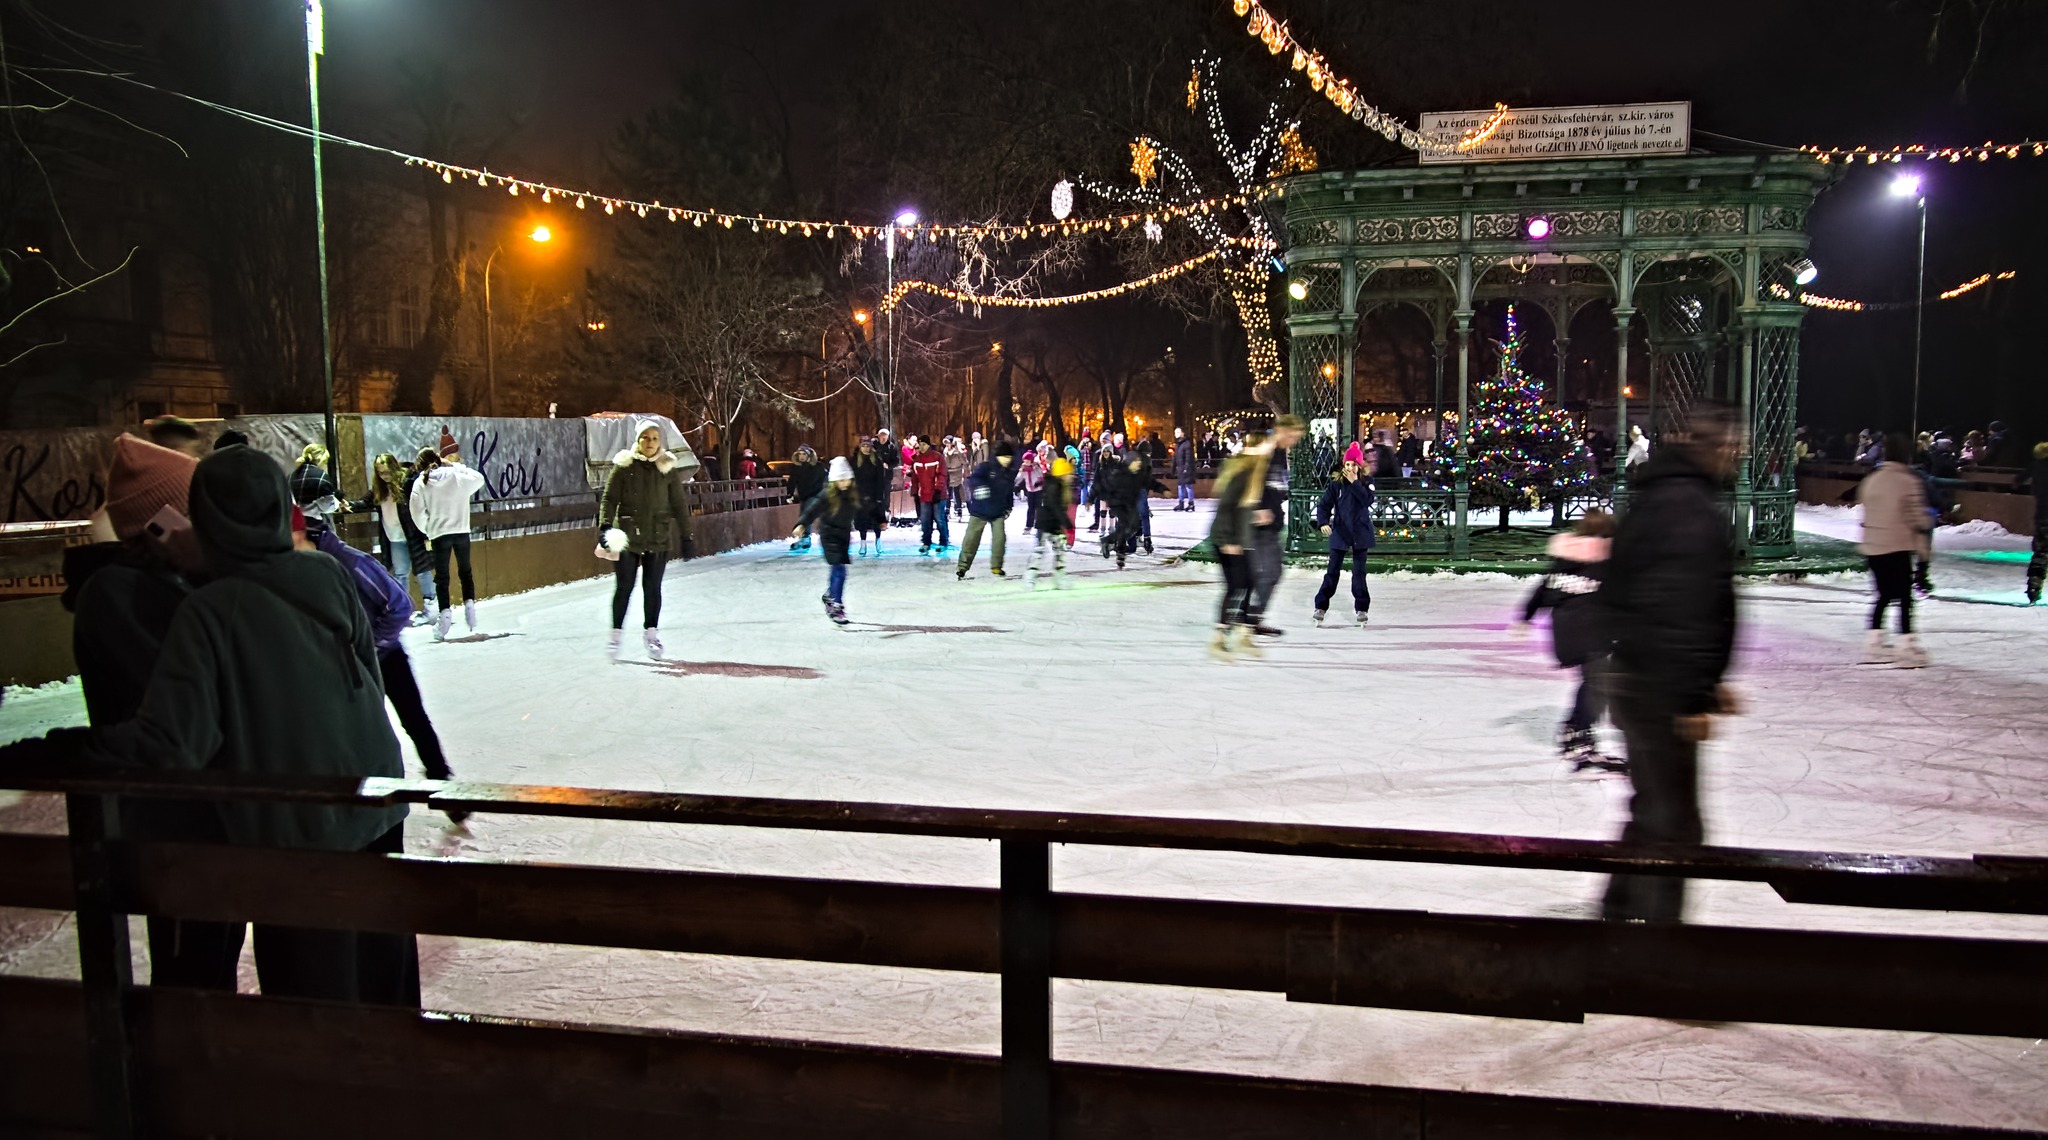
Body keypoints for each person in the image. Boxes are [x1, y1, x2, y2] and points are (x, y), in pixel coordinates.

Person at [1, 443, 419, 1005]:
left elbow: (169, 743)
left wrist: (46, 752)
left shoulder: (211, 609)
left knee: (313, 1011)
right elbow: (366, 677)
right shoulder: (327, 575)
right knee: (384, 993)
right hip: (374, 810)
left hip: (294, 837)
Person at [63, 435, 243, 989]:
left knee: (213, 961)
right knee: (192, 972)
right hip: (174, 827)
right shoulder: (121, 594)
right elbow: (178, 709)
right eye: (195, 513)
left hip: (208, 819)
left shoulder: (168, 584)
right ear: (162, 521)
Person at [1597, 401, 1744, 925]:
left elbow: (1620, 591)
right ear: (1718, 445)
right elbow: (1683, 608)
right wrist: (1694, 693)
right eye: (1735, 445)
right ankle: (1660, 957)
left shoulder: (1660, 498)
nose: (1739, 454)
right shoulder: (1688, 509)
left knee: (1654, 810)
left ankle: (1613, 918)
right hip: (1660, 685)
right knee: (1677, 825)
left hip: (1638, 675)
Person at [295, 506, 463, 819]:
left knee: (414, 720)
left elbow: (399, 605)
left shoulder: (351, 563)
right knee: (354, 730)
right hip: (349, 664)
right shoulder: (306, 571)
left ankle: (445, 789)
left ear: (309, 537)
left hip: (385, 657)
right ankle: (360, 802)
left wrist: (370, 645)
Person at [1520, 510, 1619, 772]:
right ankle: (1578, 732)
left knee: (1593, 682)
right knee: (1598, 683)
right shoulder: (1605, 560)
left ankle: (1575, 730)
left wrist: (1525, 617)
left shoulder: (1565, 559)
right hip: (1592, 632)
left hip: (1565, 633)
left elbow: (1542, 590)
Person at [597, 421, 693, 660]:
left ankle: (651, 636)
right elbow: (609, 499)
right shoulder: (623, 467)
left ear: (660, 442)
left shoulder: (667, 469)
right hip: (628, 536)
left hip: (658, 536)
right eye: (645, 438)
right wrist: (606, 526)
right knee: (624, 587)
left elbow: (679, 504)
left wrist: (686, 535)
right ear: (638, 441)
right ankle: (615, 637)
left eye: (654, 438)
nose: (650, 443)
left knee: (652, 589)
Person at [1854, 433, 1932, 668]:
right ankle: (1907, 645)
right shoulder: (1908, 481)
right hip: (1897, 546)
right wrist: (1928, 525)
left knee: (1884, 595)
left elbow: (1866, 510)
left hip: (1873, 547)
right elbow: (1917, 517)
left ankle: (1874, 643)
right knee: (1905, 597)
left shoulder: (1873, 480)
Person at [409, 432, 488, 641]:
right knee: (466, 572)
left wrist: (429, 529)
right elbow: (479, 479)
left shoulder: (421, 483)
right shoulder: (455, 476)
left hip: (439, 536)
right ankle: (470, 608)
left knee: (442, 578)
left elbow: (416, 513)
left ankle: (444, 618)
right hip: (461, 531)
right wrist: (455, 466)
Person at [355, 452, 436, 626]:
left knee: (422, 571)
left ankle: (431, 607)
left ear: (394, 467)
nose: (384, 476)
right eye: (380, 473)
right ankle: (403, 609)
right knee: (401, 573)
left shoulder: (407, 483)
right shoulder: (379, 489)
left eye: (386, 472)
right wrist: (349, 505)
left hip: (413, 535)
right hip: (394, 537)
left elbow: (420, 506)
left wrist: (426, 534)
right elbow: (365, 502)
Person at [1206, 441, 1270, 661]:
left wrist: (1255, 516)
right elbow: (1225, 509)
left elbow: (1240, 510)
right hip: (1225, 540)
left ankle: (1242, 633)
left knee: (1250, 581)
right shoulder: (1242, 477)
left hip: (1237, 540)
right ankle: (1219, 638)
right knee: (1235, 586)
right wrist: (1227, 540)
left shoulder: (1252, 480)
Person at [1248, 416, 1304, 636]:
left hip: (1271, 521)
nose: (1293, 441)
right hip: (1258, 522)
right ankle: (1247, 618)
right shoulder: (1265, 448)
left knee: (1269, 571)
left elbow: (1275, 483)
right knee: (1267, 571)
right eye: (1292, 436)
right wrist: (1257, 507)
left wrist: (1279, 495)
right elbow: (1250, 479)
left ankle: (1251, 617)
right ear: (1281, 430)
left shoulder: (1279, 452)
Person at [1311, 442, 1375, 625]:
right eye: (1348, 464)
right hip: (1340, 532)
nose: (1350, 468)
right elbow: (1324, 505)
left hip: (1360, 533)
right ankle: (1320, 606)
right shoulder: (1336, 485)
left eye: (1354, 464)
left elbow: (1368, 501)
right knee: (1332, 572)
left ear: (1360, 466)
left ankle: (1362, 608)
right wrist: (1323, 522)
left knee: (1359, 573)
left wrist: (1355, 483)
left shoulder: (1366, 483)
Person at [794, 456, 861, 625]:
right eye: (842, 479)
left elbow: (866, 507)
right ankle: (836, 606)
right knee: (840, 569)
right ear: (834, 480)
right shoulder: (826, 495)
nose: (845, 483)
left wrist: (880, 518)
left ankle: (831, 594)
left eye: (848, 479)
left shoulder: (851, 494)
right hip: (829, 535)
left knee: (837, 568)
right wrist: (802, 524)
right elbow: (812, 509)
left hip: (843, 536)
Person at [957, 440, 1015, 580]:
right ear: (998, 457)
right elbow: (973, 479)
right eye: (1005, 457)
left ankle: (996, 566)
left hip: (998, 512)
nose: (1007, 460)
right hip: (980, 510)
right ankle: (962, 567)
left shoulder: (1008, 473)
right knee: (971, 538)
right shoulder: (986, 467)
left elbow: (1008, 492)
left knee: (999, 539)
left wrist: (1008, 507)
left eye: (1009, 458)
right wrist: (980, 487)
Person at [1025, 456, 1076, 589]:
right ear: (1062, 474)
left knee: (1060, 551)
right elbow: (1055, 507)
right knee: (1039, 551)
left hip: (1054, 524)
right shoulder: (1054, 486)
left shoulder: (1060, 486)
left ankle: (1059, 578)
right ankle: (1030, 577)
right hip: (1045, 524)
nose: (1071, 476)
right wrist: (1067, 523)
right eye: (1069, 473)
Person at [910, 435, 951, 553]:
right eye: (920, 444)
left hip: (938, 495)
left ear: (928, 445)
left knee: (939, 519)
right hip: (924, 495)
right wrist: (914, 492)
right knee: (925, 520)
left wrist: (938, 490)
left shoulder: (937, 457)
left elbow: (942, 475)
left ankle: (943, 541)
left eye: (924, 444)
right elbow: (915, 478)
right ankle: (926, 542)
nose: (921, 447)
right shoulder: (917, 460)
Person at [852, 437, 891, 556]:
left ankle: (878, 540)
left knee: (876, 520)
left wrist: (880, 496)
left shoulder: (876, 460)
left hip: (874, 495)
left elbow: (880, 480)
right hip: (860, 495)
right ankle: (863, 543)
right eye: (863, 446)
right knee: (861, 520)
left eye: (867, 446)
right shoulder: (854, 461)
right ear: (860, 447)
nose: (865, 448)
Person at [785, 446, 826, 552]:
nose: (802, 457)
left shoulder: (818, 466)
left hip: (816, 495)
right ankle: (805, 538)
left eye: (804, 454)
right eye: (800, 454)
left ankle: (806, 538)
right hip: (803, 496)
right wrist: (789, 494)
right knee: (803, 514)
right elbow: (792, 481)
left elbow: (825, 478)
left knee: (806, 514)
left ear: (809, 455)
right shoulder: (797, 468)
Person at [290, 442, 340, 525]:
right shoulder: (321, 476)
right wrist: (337, 499)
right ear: (321, 460)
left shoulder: (292, 476)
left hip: (295, 524)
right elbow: (328, 506)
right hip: (315, 524)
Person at [1015, 442, 1046, 535]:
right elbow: (1019, 477)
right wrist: (1015, 484)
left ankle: (1039, 524)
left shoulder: (1036, 467)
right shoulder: (1023, 468)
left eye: (1027, 460)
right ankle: (1029, 525)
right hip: (1030, 490)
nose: (1025, 462)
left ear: (1031, 460)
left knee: (1038, 508)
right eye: (1024, 460)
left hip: (1038, 490)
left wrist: (1032, 469)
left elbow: (1040, 475)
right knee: (1030, 509)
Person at [944, 435, 969, 521]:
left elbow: (964, 462)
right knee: (948, 493)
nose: (947, 444)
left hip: (957, 473)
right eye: (946, 443)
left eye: (948, 443)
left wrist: (966, 471)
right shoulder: (945, 452)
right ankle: (947, 511)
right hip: (948, 474)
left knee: (957, 491)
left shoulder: (958, 452)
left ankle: (959, 510)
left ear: (952, 443)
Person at [1172, 427, 1196, 511]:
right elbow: (1175, 457)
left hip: (1185, 469)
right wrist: (1173, 468)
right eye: (1175, 433)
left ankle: (1191, 503)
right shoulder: (1178, 444)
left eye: (1178, 432)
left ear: (1182, 433)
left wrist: (1186, 468)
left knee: (1188, 486)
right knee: (1180, 486)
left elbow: (1188, 457)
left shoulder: (1186, 444)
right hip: (1180, 468)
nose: (1176, 434)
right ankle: (1181, 503)